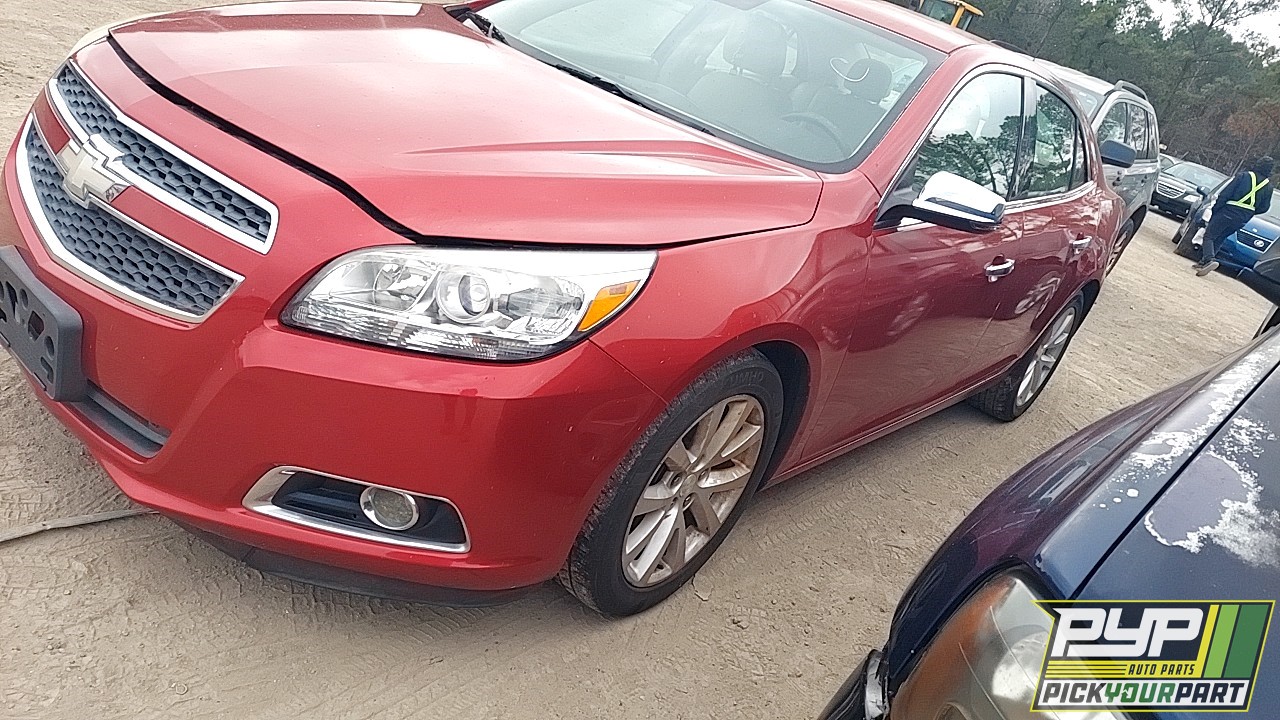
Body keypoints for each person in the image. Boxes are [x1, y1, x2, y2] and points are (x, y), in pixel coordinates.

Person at [1193, 156, 1274, 276]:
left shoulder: (1243, 176)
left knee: (1209, 235)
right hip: (1242, 218)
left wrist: (1216, 210)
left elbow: (1225, 194)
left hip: (1227, 211)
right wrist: (1249, 212)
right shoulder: (1268, 187)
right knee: (1220, 237)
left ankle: (1209, 259)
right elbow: (1264, 208)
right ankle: (1204, 262)